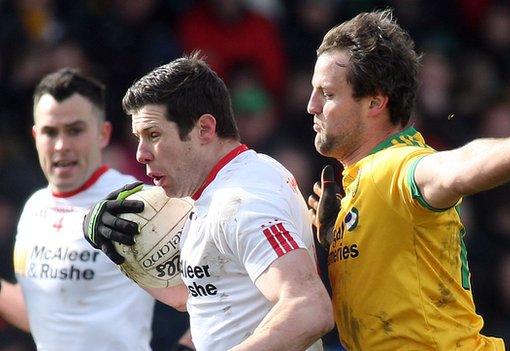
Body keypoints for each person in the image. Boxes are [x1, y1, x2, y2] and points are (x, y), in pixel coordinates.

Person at [306, 9, 510, 350]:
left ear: (375, 101)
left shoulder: (399, 166)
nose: (312, 106)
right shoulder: (357, 189)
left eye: (327, 94)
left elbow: (455, 170)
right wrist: (328, 238)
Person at [83, 53, 334, 350]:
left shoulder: (242, 201)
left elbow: (309, 307)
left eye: (153, 135)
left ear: (204, 129)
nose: (141, 154)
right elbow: (195, 295)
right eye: (138, 138)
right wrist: (113, 246)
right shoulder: (215, 193)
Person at [0, 69, 155, 350]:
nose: (61, 146)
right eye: (50, 132)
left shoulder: (136, 202)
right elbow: (48, 316)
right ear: (35, 136)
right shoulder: (34, 208)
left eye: (75, 130)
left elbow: (213, 284)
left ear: (103, 134)